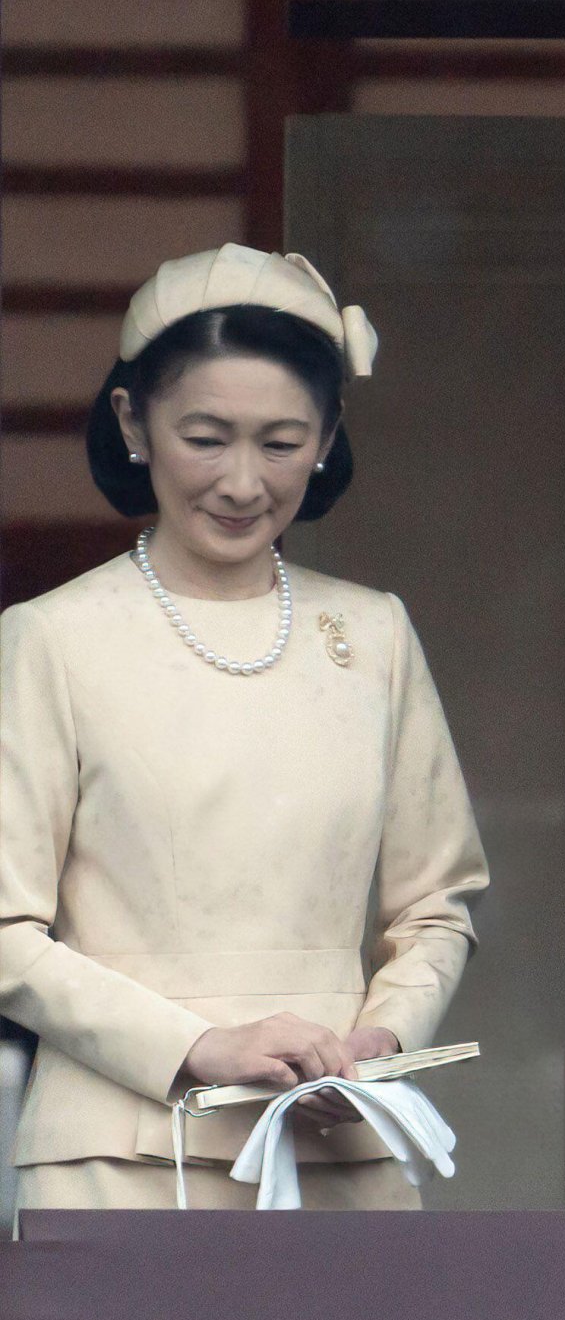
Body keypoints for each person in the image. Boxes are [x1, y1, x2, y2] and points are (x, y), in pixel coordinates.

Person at [0, 243, 489, 1211]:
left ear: (327, 435)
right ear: (133, 422)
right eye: (205, 435)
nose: (240, 481)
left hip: (340, 1138)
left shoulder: (375, 631)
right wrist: (200, 1046)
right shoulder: (50, 637)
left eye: (279, 441)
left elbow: (437, 903)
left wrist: (375, 1042)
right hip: (118, 1154)